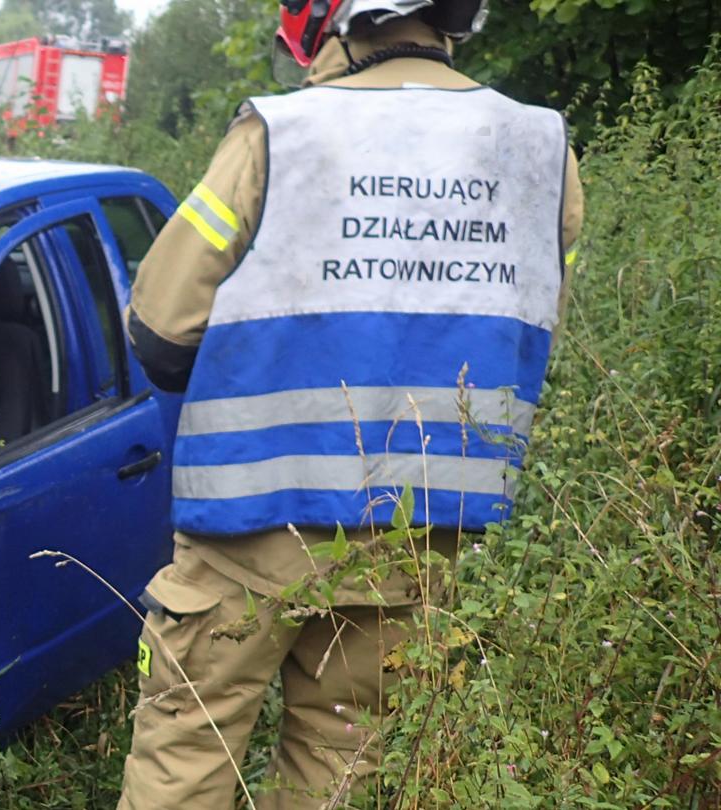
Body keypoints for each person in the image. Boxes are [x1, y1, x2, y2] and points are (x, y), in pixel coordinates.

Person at [115, 1, 585, 807]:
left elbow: (159, 330)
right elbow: (534, 327)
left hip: (253, 522)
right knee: (343, 759)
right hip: (420, 531)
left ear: (336, 18)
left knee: (188, 748)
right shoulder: (542, 148)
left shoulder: (282, 132)